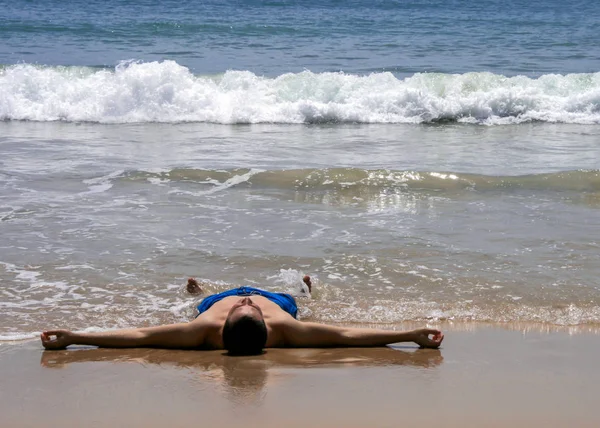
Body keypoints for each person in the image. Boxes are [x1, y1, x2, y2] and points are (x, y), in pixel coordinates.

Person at [41, 276, 444, 354]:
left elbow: (142, 336)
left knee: (205, 297)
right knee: (295, 298)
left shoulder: (202, 327)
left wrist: (76, 336)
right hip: (278, 300)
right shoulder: (284, 326)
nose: (245, 301)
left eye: (243, 306)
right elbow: (344, 335)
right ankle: (304, 291)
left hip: (215, 300)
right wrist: (409, 334)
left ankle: (202, 294)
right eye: (243, 306)